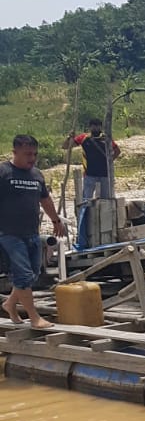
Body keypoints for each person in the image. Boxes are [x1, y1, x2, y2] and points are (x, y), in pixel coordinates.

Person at [0, 135, 66, 330]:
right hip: (9, 233)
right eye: (28, 154)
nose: (32, 158)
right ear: (15, 152)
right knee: (22, 274)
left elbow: (45, 200)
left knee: (34, 272)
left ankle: (10, 304)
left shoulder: (37, 174)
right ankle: (34, 317)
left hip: (32, 232)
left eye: (35, 154)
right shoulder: (4, 172)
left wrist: (56, 220)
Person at [64, 119, 121, 250]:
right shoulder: (83, 138)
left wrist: (110, 161)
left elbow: (117, 150)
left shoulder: (106, 138)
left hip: (105, 174)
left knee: (107, 201)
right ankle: (85, 230)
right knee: (86, 202)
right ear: (90, 127)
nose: (96, 127)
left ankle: (107, 230)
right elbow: (66, 146)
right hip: (89, 174)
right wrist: (70, 137)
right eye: (93, 125)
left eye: (98, 125)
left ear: (101, 126)